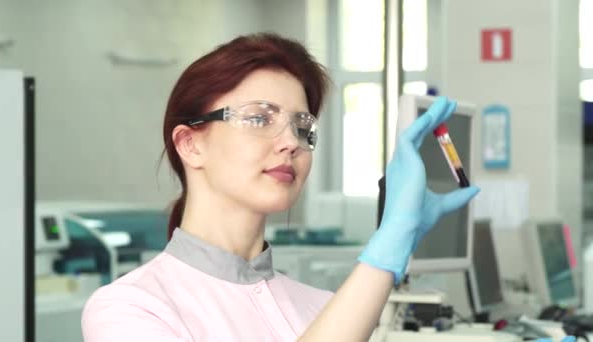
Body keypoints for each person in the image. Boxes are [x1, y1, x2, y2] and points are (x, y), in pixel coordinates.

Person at [81, 33, 572, 342]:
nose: (289, 142)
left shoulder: (321, 307)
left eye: (302, 127)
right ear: (191, 144)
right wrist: (385, 251)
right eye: (259, 119)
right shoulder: (131, 309)